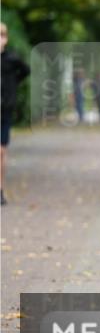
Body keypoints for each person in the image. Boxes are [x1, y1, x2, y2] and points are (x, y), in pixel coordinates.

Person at [1, 22, 30, 206]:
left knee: (1, 152)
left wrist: (13, 87)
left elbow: (26, 71)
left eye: (2, 36)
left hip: (4, 110)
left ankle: (0, 189)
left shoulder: (12, 59)